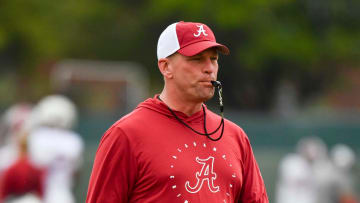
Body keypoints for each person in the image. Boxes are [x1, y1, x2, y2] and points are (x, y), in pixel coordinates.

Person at [86, 21, 268, 203]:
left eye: (213, 59)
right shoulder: (126, 135)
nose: (209, 68)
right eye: (197, 59)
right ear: (166, 67)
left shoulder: (235, 136)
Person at [26, 95, 84, 203]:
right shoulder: (73, 141)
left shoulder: (35, 137)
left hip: (34, 196)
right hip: (63, 196)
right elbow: (76, 174)